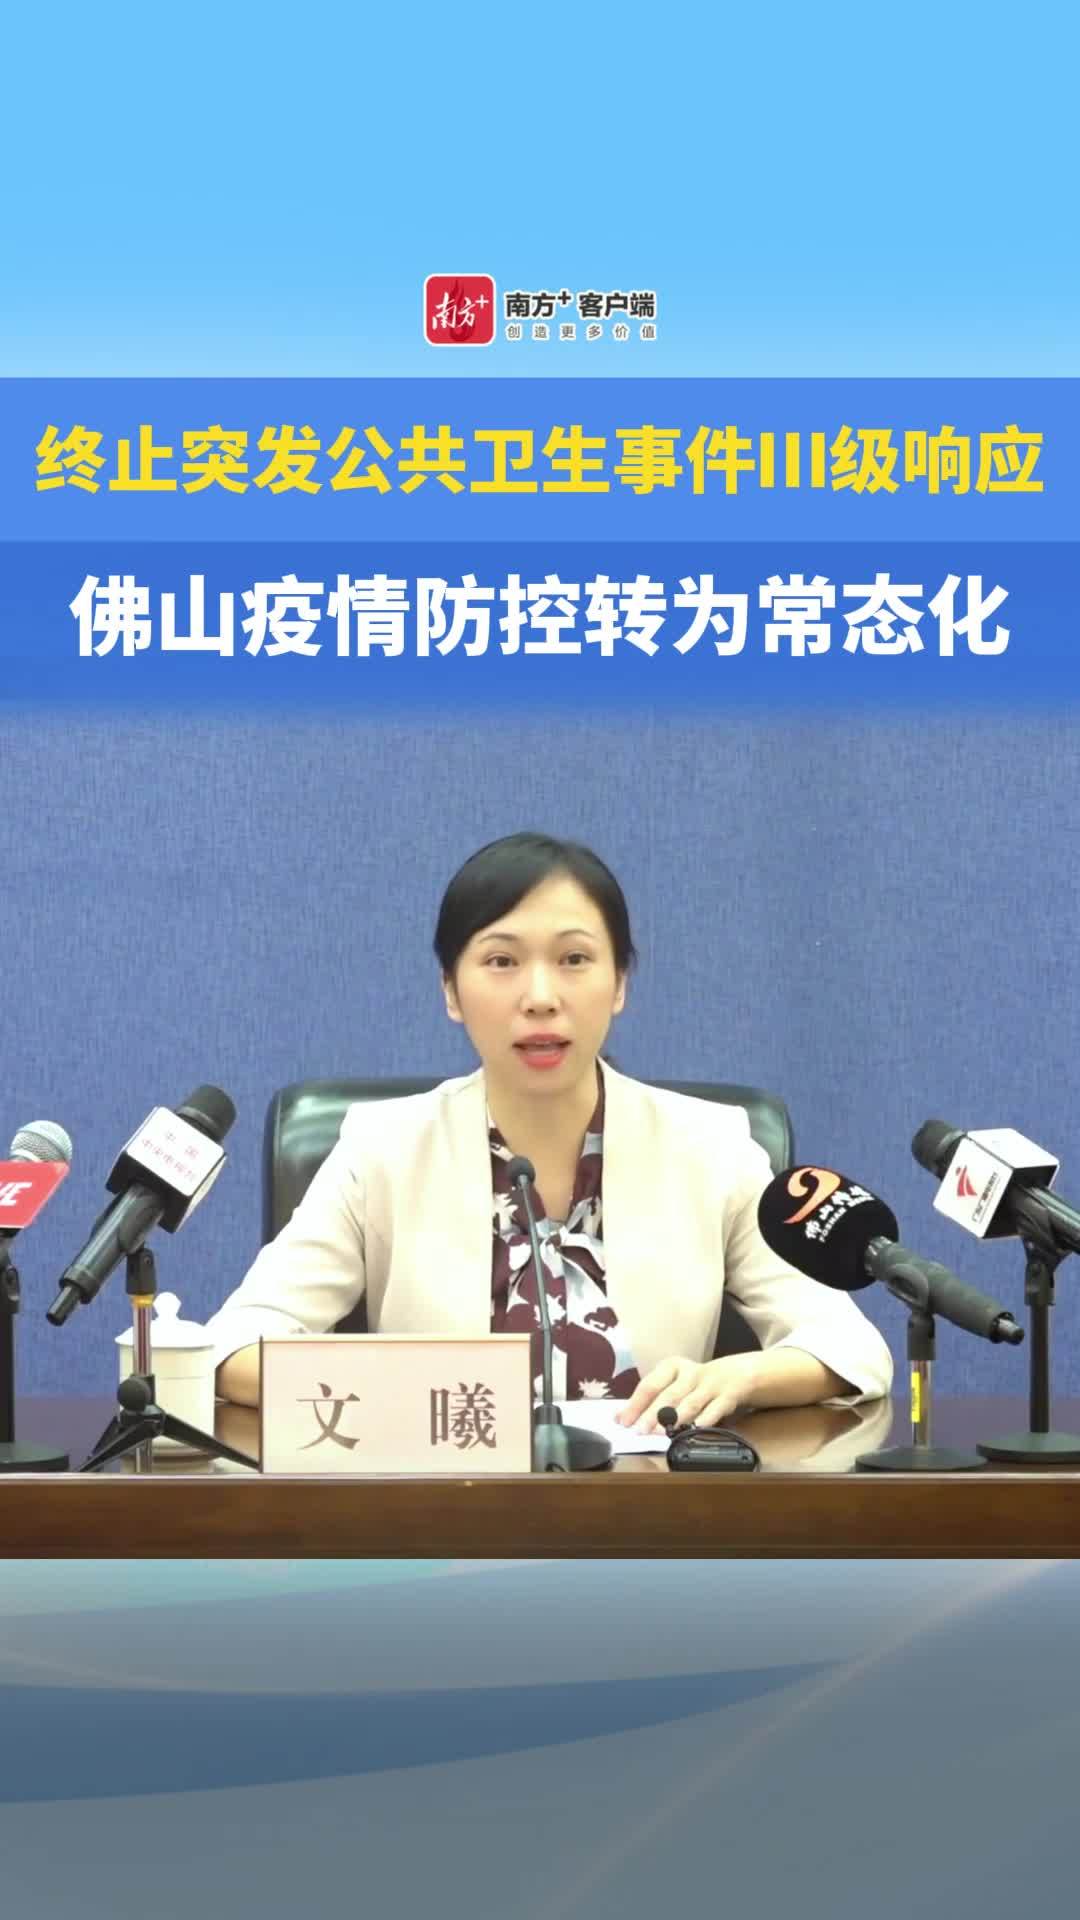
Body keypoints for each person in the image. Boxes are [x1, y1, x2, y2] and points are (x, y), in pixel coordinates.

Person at [206, 832, 893, 1427]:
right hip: (444, 1511)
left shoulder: (711, 1148)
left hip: (650, 1510)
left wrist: (739, 1377)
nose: (540, 997)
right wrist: (400, 1391)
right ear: (451, 991)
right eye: (501, 961)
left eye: (574, 960)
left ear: (619, 984)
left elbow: (851, 1349)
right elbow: (232, 1348)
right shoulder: (383, 1148)